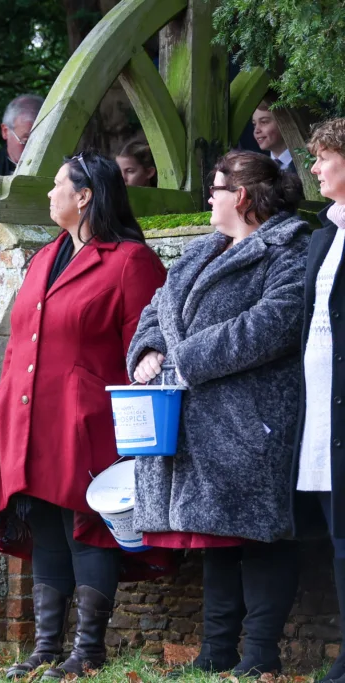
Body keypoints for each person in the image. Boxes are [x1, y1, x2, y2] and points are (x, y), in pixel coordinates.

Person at [0, 151, 168, 678]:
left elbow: (145, 349)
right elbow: (18, 343)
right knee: (47, 527)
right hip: (29, 416)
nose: (49, 195)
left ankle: (89, 651)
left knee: (88, 527)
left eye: (57, 186)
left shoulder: (129, 261)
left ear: (85, 195)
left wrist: (135, 433)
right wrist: (2, 410)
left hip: (91, 421)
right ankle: (47, 649)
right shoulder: (45, 255)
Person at [129, 151, 308, 675]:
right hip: (194, 420)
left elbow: (275, 321)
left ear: (243, 196)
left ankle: (259, 658)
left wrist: (184, 359)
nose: (209, 197)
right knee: (217, 541)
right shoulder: (198, 253)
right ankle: (214, 655)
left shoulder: (288, 249)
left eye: (217, 188)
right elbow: (154, 310)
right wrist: (147, 352)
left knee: (261, 537)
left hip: (253, 420)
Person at [291, 117, 345, 683]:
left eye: (325, 157)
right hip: (323, 409)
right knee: (339, 537)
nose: (315, 168)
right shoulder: (325, 233)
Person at [0, 94, 44, 176]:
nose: (35, 149)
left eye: (42, 141)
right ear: (5, 131)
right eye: (26, 142)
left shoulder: (61, 169)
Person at [253, 104, 297, 174]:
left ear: (284, 123)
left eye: (264, 122)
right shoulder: (257, 169)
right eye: (254, 124)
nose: (256, 130)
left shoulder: (309, 163)